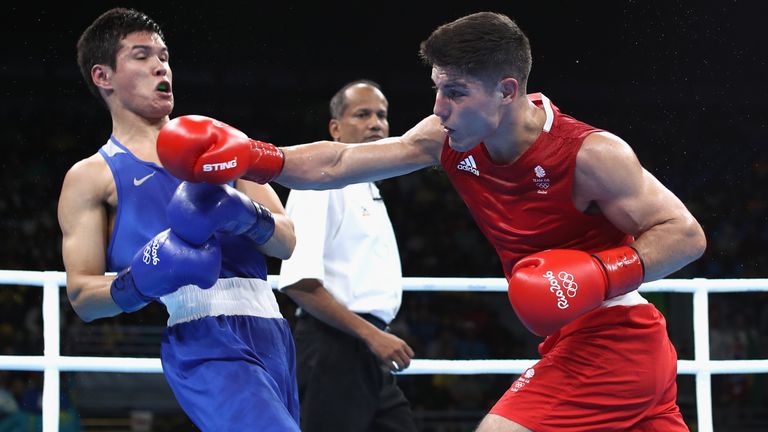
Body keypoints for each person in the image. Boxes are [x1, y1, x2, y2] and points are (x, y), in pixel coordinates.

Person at [156, 11, 707, 432]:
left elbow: (684, 234)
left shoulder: (589, 154)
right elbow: (341, 161)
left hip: (614, 337)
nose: (439, 108)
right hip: (581, 341)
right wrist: (257, 157)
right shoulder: (444, 138)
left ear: (507, 91)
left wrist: (598, 274)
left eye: (456, 92)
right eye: (438, 88)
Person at [57, 8, 299, 431]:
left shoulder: (220, 144)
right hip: (201, 335)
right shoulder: (91, 176)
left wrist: (244, 214)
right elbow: (82, 297)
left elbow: (287, 241)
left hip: (274, 332)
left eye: (164, 55)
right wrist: (142, 279)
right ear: (103, 76)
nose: (160, 65)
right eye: (141, 55)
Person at [278, 80, 418, 432]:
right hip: (334, 346)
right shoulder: (318, 184)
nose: (376, 123)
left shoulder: (368, 186)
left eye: (382, 115)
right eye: (363, 114)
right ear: (335, 129)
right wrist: (371, 335)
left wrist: (374, 338)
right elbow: (299, 283)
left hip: (367, 348)